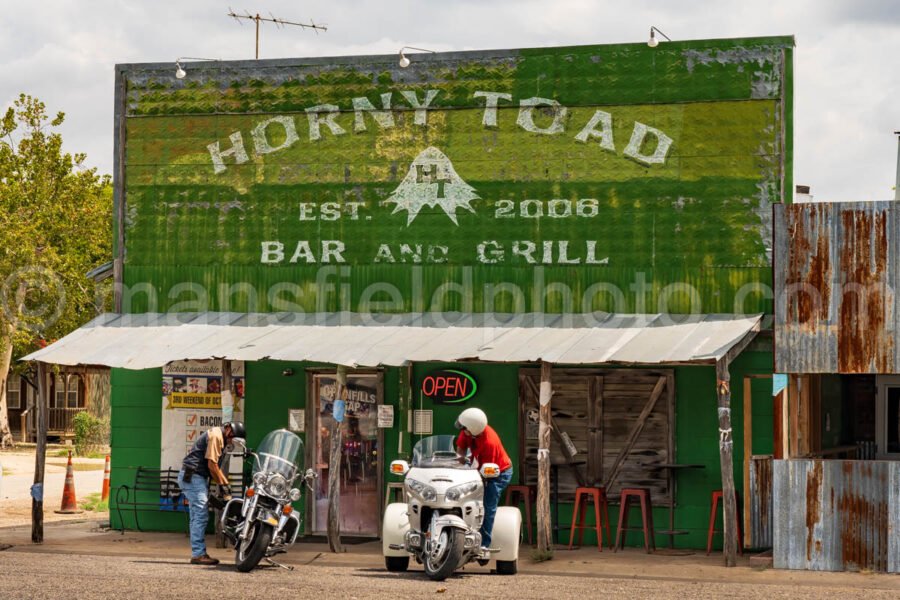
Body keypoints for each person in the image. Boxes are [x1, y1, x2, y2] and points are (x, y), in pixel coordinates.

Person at [177, 421, 246, 565]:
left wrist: (224, 485)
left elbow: (214, 468)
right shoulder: (216, 436)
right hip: (193, 477)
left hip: (195, 477)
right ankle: (198, 554)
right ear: (229, 431)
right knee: (201, 514)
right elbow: (212, 465)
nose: (232, 442)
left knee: (196, 516)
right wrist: (224, 485)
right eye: (233, 438)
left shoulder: (219, 437)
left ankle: (197, 552)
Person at [454, 407, 513, 552]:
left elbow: (486, 473)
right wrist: (459, 460)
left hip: (497, 472)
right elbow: (460, 448)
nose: (462, 430)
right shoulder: (468, 431)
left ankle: (483, 545)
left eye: (464, 428)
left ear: (472, 429)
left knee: (487, 505)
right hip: (481, 466)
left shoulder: (489, 443)